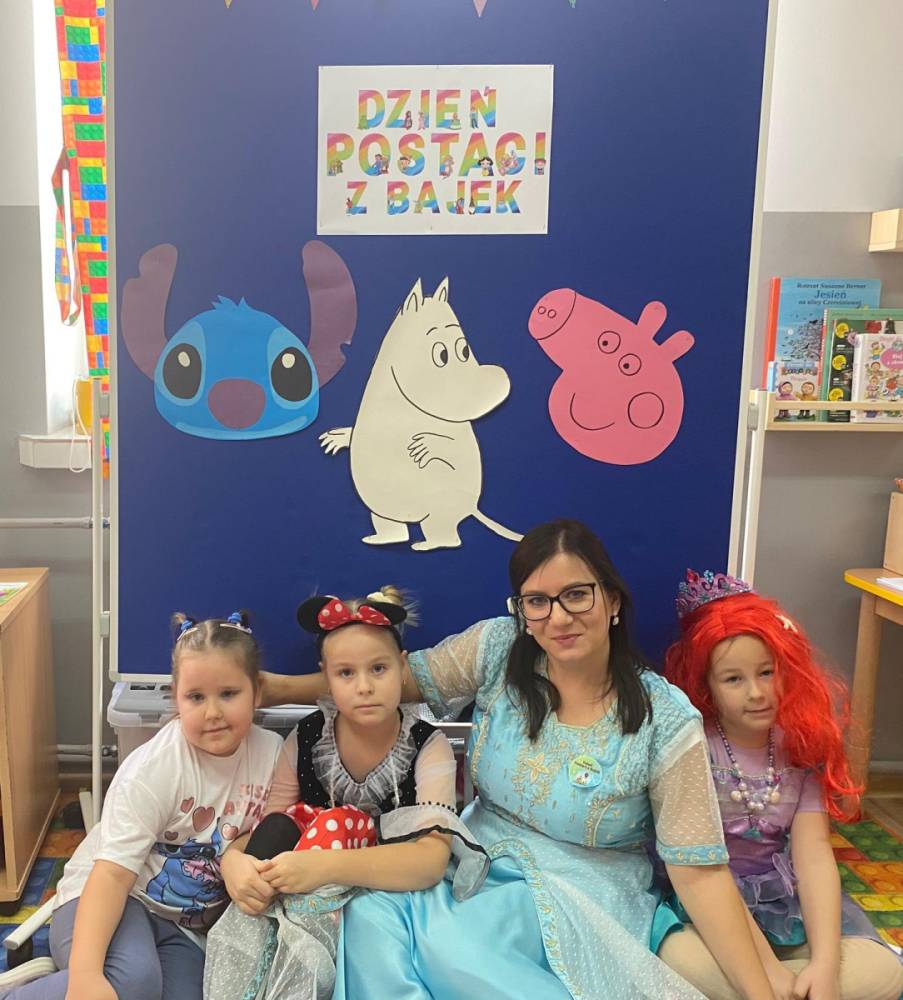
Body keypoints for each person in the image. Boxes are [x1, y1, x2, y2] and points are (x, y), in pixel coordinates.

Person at [260, 521, 775, 999]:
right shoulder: (498, 649)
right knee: (369, 914)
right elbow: (381, 677)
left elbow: (700, 873)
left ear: (613, 600)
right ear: (522, 612)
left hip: (581, 892)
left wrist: (763, 992)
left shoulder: (664, 718)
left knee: (452, 950)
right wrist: (269, 690)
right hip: (472, 861)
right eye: (537, 601)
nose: (559, 617)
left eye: (577, 594)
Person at [204, 588, 486, 1000]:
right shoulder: (306, 739)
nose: (364, 687)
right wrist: (233, 861)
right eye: (346, 674)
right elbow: (271, 826)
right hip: (308, 895)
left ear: (402, 667)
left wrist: (326, 867)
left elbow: (429, 861)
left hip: (394, 897)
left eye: (378, 669)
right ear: (326, 677)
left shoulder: (428, 745)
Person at [0, 612, 283, 1000]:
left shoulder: (272, 754)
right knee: (132, 982)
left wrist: (236, 855)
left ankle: (52, 983)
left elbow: (264, 826)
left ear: (258, 692)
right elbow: (111, 876)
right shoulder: (156, 767)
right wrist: (85, 975)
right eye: (196, 697)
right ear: (176, 698)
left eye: (229, 694)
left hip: (179, 925)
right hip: (102, 899)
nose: (213, 712)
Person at [660, 570, 903, 1000]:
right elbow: (703, 875)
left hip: (782, 903)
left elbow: (814, 856)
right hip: (707, 905)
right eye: (733, 679)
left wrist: (824, 966)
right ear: (707, 687)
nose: (756, 692)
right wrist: (766, 975)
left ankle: (800, 987)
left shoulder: (799, 748)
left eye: (766, 672)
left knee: (884, 971)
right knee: (677, 958)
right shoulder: (694, 748)